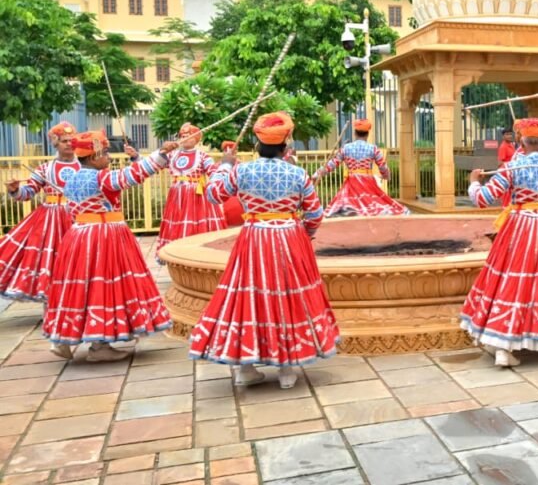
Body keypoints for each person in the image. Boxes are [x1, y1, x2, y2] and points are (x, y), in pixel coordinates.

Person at [191, 112, 340, 388]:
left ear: (258, 145)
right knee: (287, 298)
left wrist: (224, 166)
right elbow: (315, 213)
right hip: (288, 239)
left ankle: (245, 367)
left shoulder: (242, 170)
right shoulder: (297, 173)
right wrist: (305, 235)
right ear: (286, 146)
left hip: (254, 239)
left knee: (250, 297)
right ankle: (287, 368)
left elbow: (213, 195)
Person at [462, 88, 538, 367]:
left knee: (514, 281)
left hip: (521, 229)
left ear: (520, 140)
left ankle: (503, 346)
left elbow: (481, 199)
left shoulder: (510, 168)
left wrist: (473, 181)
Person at [44, 131, 176, 362]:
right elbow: (131, 175)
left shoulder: (72, 178)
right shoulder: (100, 178)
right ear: (93, 157)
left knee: (78, 288)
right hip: (103, 237)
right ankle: (99, 346)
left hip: (78, 237)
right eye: (105, 153)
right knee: (103, 288)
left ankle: (63, 338)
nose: (109, 157)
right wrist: (161, 153)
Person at [0, 122, 79, 301]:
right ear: (55, 143)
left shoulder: (85, 166)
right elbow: (27, 193)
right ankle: (51, 298)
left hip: (79, 217)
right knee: (49, 258)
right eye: (64, 141)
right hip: (51, 220)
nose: (69, 144)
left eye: (71, 140)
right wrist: (15, 190)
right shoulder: (45, 169)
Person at [155, 123, 226, 257]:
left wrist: (226, 166)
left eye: (189, 135)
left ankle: (199, 253)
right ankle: (176, 253)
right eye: (183, 136)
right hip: (177, 196)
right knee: (177, 223)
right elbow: (154, 164)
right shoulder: (172, 155)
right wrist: (136, 156)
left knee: (196, 224)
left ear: (196, 138)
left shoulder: (202, 156)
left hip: (196, 197)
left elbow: (213, 171)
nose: (185, 138)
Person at [316, 119, 408, 216]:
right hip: (368, 182)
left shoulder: (346, 148)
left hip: (352, 182)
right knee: (376, 203)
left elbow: (332, 164)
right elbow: (383, 166)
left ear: (355, 133)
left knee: (344, 202)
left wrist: (317, 174)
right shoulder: (373, 149)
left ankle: (350, 209)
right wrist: (386, 176)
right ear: (367, 134)